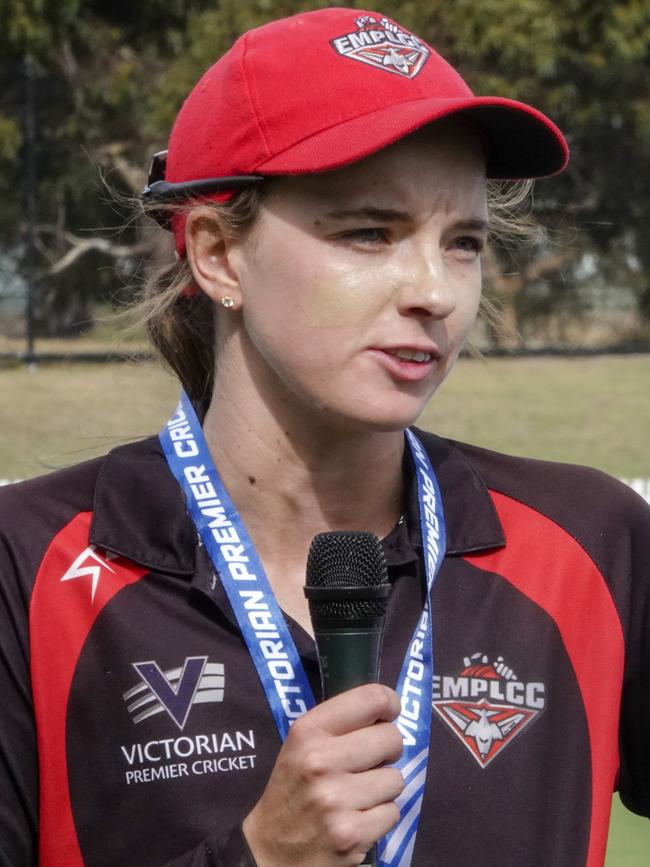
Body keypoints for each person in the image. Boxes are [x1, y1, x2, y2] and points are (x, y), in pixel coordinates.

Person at [0, 7, 648, 867]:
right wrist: (261, 855)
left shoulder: (590, 544)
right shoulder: (27, 564)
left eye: (463, 243)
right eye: (369, 231)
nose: (437, 292)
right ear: (218, 254)